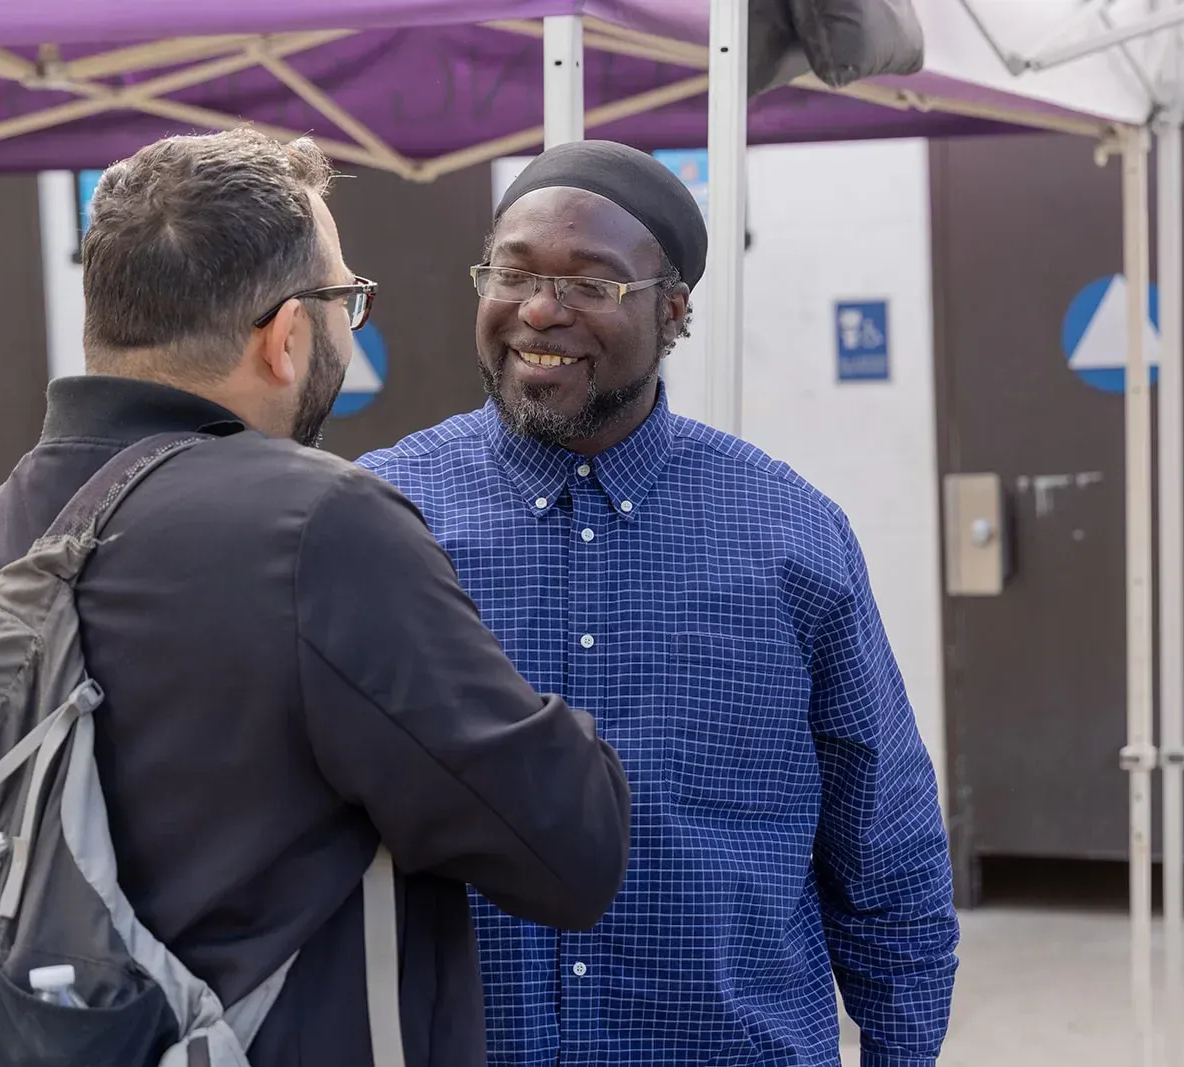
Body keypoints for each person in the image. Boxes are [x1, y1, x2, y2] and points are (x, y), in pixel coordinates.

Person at [0, 129, 632, 1067]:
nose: (344, 324)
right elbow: (567, 849)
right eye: (343, 301)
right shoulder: (321, 527)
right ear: (285, 337)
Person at [358, 139, 959, 1066]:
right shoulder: (382, 520)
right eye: (512, 273)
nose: (541, 310)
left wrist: (902, 1048)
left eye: (592, 284)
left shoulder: (791, 536)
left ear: (674, 311)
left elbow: (887, 846)